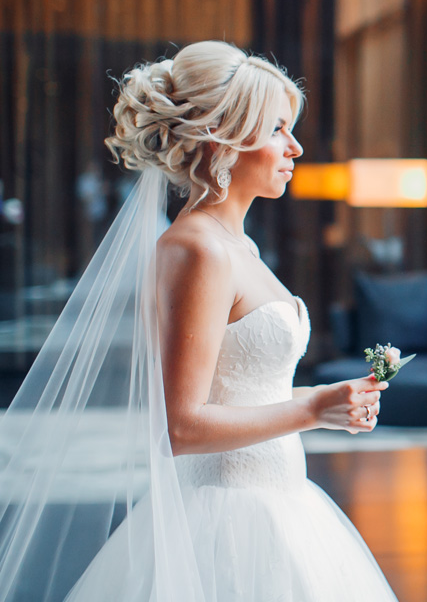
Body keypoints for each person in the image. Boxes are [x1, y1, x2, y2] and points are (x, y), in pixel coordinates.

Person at [0, 41, 399, 601]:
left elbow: (240, 386)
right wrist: (312, 409)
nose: (296, 146)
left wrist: (329, 400)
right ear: (224, 139)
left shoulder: (241, 247)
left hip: (281, 500)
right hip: (227, 520)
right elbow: (180, 428)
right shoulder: (197, 250)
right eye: (278, 129)